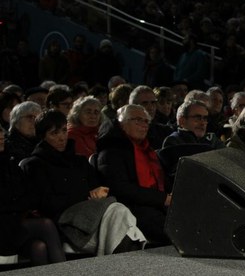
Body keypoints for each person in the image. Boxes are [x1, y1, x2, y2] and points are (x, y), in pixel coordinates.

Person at [22, 111, 146, 255]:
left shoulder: (79, 161)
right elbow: (48, 204)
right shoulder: (35, 165)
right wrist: (87, 195)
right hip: (69, 224)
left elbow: (99, 188)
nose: (62, 137)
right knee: (125, 227)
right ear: (42, 137)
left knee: (119, 215)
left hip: (95, 216)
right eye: (54, 133)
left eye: (63, 131)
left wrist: (98, 193)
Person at [96, 104, 171, 245]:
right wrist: (162, 198)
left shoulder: (148, 150)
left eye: (146, 121)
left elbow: (162, 181)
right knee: (174, 229)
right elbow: (120, 189)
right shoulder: (111, 151)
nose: (144, 125)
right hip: (131, 207)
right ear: (122, 123)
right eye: (138, 120)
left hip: (156, 203)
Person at [1, 128, 67, 266]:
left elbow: (30, 194)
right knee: (46, 225)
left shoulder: (9, 162)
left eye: (0, 132)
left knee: (39, 247)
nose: (1, 136)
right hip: (5, 223)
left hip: (16, 219)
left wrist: (18, 206)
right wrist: (17, 206)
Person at [6, 101, 43, 166]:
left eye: (38, 118)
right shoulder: (6, 146)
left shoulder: (43, 144)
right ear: (16, 121)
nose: (34, 121)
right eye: (30, 117)